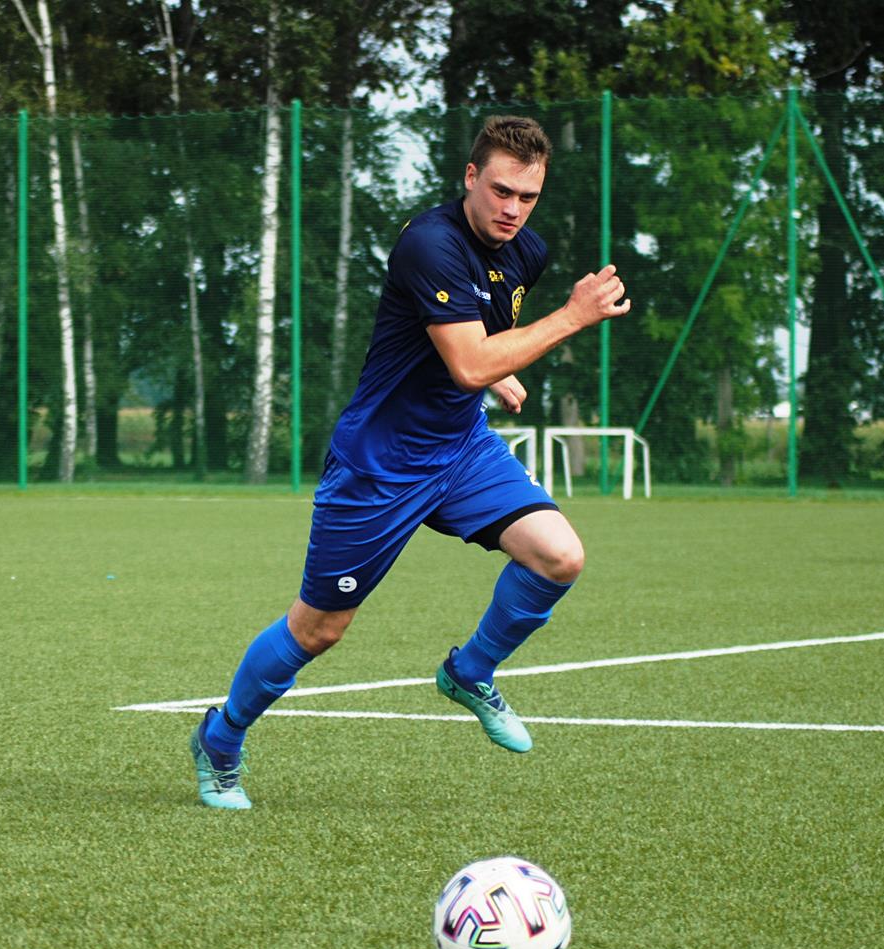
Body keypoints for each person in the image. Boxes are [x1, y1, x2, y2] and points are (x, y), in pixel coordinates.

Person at [189, 115, 631, 810]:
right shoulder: (429, 244)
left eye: (529, 197)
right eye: (502, 191)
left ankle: (469, 670)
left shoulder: (527, 252)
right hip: (381, 464)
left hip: (461, 448)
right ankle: (221, 737)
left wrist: (494, 368)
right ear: (470, 178)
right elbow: (466, 360)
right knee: (320, 628)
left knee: (559, 555)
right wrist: (564, 322)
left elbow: (484, 337)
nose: (513, 209)